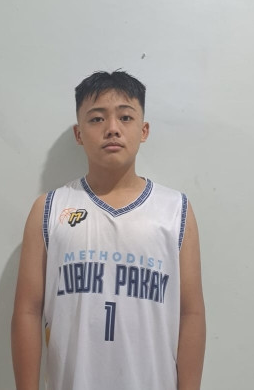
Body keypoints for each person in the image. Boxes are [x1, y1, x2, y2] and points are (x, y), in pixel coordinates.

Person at [11, 71, 205, 390]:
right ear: (78, 133)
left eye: (125, 117)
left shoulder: (176, 210)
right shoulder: (49, 209)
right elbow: (27, 311)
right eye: (97, 119)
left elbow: (191, 313)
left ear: (143, 130)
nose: (112, 128)